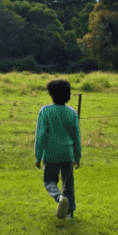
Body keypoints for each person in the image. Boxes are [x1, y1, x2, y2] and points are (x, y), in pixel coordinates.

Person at [33, 79, 81, 219]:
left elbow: (41, 135)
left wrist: (38, 155)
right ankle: (70, 213)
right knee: (68, 183)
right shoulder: (72, 113)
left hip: (51, 153)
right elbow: (76, 137)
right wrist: (77, 156)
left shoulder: (46, 111)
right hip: (67, 153)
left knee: (49, 181)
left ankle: (59, 198)